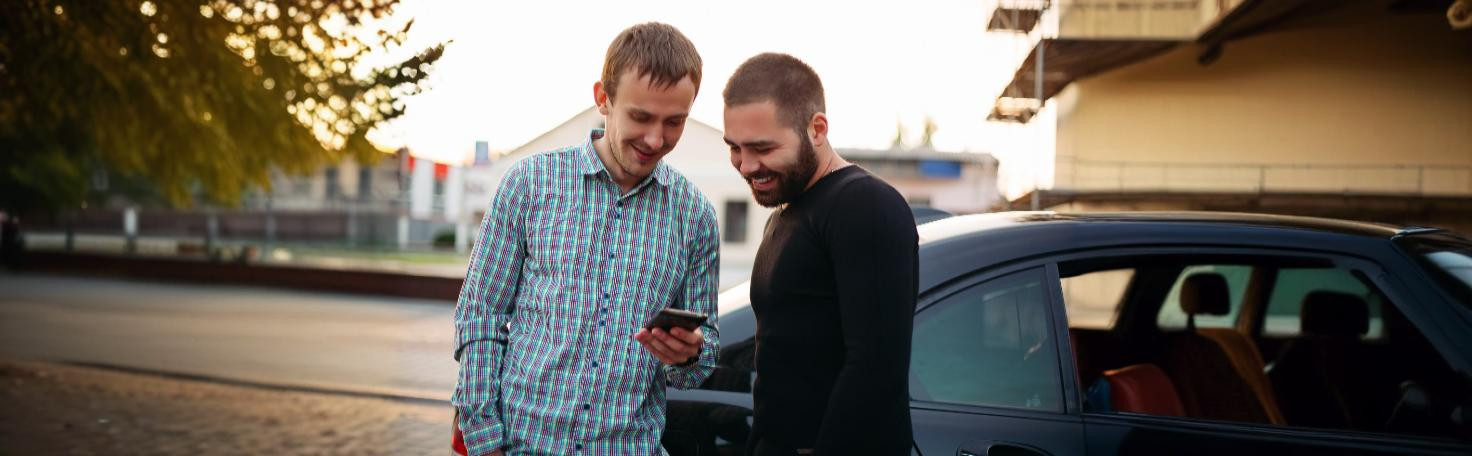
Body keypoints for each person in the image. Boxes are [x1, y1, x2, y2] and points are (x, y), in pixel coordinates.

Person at [452, 22, 720, 456]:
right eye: (641, 116)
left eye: (674, 122)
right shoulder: (528, 184)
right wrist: (485, 443)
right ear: (603, 98)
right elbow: (480, 315)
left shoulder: (697, 217)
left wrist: (687, 356)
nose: (656, 139)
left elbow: (701, 362)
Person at [721, 53, 918, 455]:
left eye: (762, 147)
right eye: (735, 148)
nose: (746, 165)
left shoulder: (864, 204)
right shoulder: (787, 210)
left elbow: (875, 370)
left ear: (817, 129)